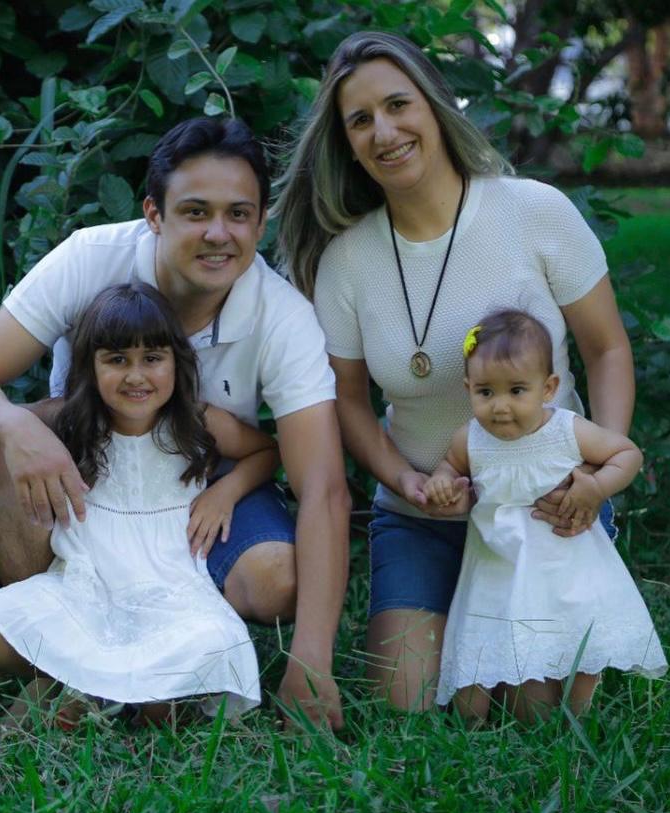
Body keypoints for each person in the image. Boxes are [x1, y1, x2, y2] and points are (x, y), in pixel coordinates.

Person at [0, 117, 351, 728]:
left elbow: (323, 486)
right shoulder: (91, 258)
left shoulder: (282, 316)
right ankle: (71, 659)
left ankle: (164, 651)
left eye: (238, 214)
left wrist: (312, 662)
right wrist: (16, 428)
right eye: (196, 212)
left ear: (261, 222)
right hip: (88, 463)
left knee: (278, 580)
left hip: (202, 471)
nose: (218, 234)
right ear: (154, 214)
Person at [272, 31, 637, 710]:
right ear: (346, 143)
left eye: (397, 105)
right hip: (425, 515)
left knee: (536, 705)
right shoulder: (346, 262)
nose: (385, 132)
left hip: (545, 502)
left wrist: (593, 473)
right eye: (360, 120)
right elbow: (347, 399)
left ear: (434, 105)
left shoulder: (534, 211)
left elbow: (607, 349)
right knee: (406, 700)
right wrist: (406, 481)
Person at [0, 283, 275, 723]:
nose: (135, 376)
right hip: (83, 585)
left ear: (176, 361)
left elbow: (267, 451)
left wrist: (226, 490)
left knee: (213, 643)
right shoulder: (66, 419)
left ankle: (97, 691)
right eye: (116, 360)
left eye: (152, 359)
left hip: (173, 590)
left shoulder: (196, 422)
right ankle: (104, 688)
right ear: (90, 366)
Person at [424, 310, 666, 722]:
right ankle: (483, 716)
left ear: (548, 388)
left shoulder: (567, 431)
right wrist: (442, 483)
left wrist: (596, 486)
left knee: (579, 653)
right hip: (500, 572)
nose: (500, 406)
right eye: (485, 392)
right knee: (511, 697)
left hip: (567, 568)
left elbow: (627, 453)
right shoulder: (471, 440)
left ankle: (582, 719)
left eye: (517, 390)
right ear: (468, 389)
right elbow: (449, 467)